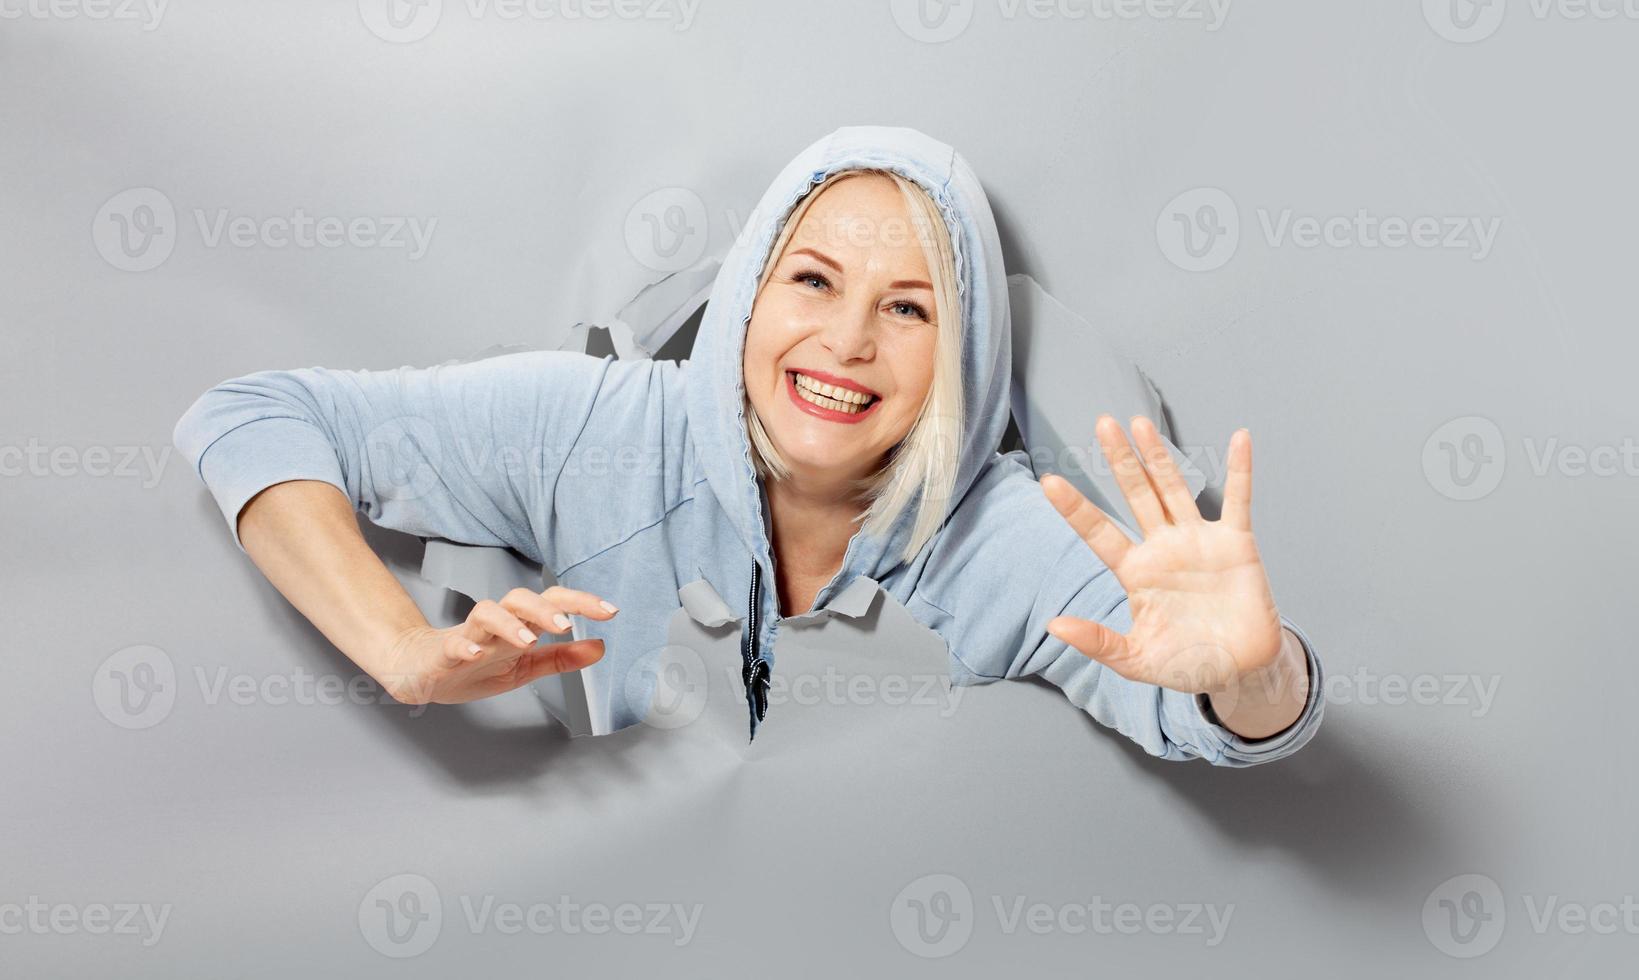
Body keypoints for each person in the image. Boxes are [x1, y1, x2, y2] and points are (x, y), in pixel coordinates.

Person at [173, 125, 1324, 764]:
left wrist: (1252, 673)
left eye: (910, 308)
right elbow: (255, 415)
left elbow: (1211, 717)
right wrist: (401, 650)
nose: (848, 339)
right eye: (813, 280)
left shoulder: (1005, 539)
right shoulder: (599, 425)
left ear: (959, 356)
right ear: (746, 297)